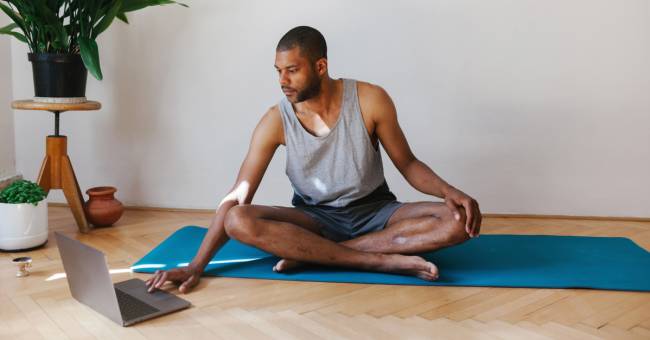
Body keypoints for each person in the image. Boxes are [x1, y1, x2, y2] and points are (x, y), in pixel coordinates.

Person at [146, 26, 481, 294]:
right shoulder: (275, 120)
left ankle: (314, 254)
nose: (282, 81)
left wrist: (450, 192)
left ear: (320, 66)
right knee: (237, 219)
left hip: (376, 213)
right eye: (278, 71)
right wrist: (195, 266)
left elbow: (407, 164)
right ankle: (378, 261)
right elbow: (239, 195)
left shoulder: (370, 99)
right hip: (314, 221)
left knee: (458, 220)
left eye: (292, 70)